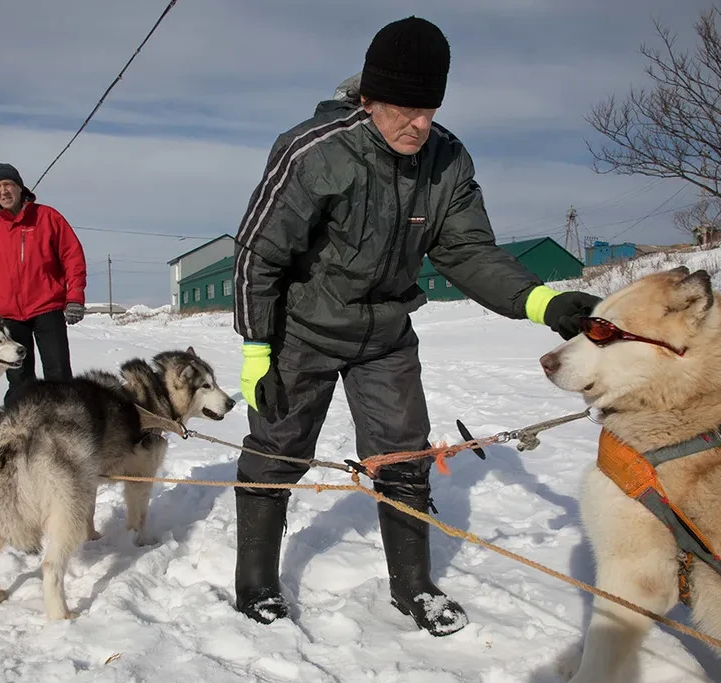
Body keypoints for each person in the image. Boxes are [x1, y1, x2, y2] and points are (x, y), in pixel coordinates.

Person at [231, 16, 601, 636]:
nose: (419, 124)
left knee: (404, 458)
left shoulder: (447, 159)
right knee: (274, 452)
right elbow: (258, 253)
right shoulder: (316, 150)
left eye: (429, 107)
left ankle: (413, 586)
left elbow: (468, 251)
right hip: (304, 329)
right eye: (404, 107)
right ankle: (256, 586)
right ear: (370, 97)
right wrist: (257, 348)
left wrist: (542, 303)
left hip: (385, 337)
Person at [0, 163, 88, 407]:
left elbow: (73, 257)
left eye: (8, 184)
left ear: (20, 187)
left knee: (58, 375)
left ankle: (66, 424)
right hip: (9, 316)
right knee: (20, 379)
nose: (3, 191)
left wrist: (74, 296)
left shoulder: (48, 218)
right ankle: (21, 430)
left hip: (47, 308)